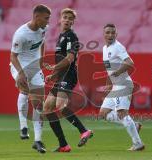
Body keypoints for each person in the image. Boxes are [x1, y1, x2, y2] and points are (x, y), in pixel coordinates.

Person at [43, 8, 93, 152]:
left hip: (69, 74)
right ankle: (63, 144)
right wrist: (53, 75)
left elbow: (70, 59)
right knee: (47, 109)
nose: (67, 20)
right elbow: (61, 59)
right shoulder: (61, 36)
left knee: (61, 105)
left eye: (70, 18)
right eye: (65, 17)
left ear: (72, 22)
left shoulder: (72, 37)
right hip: (60, 75)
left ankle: (84, 131)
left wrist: (54, 68)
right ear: (60, 19)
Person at [10, 4, 51, 154]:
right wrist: (20, 73)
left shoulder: (43, 29)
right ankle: (23, 126)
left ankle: (38, 141)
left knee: (38, 103)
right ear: (36, 17)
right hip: (19, 65)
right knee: (26, 91)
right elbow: (13, 56)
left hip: (35, 67)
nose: (48, 21)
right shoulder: (21, 34)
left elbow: (43, 42)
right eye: (46, 18)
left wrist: (41, 60)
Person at [98, 23, 145, 151]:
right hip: (115, 86)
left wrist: (118, 72)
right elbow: (109, 68)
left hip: (123, 84)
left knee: (122, 114)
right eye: (107, 32)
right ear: (103, 34)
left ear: (116, 34)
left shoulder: (118, 47)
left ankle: (138, 143)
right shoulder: (104, 49)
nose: (110, 35)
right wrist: (109, 83)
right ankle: (134, 125)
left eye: (113, 32)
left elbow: (130, 62)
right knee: (103, 114)